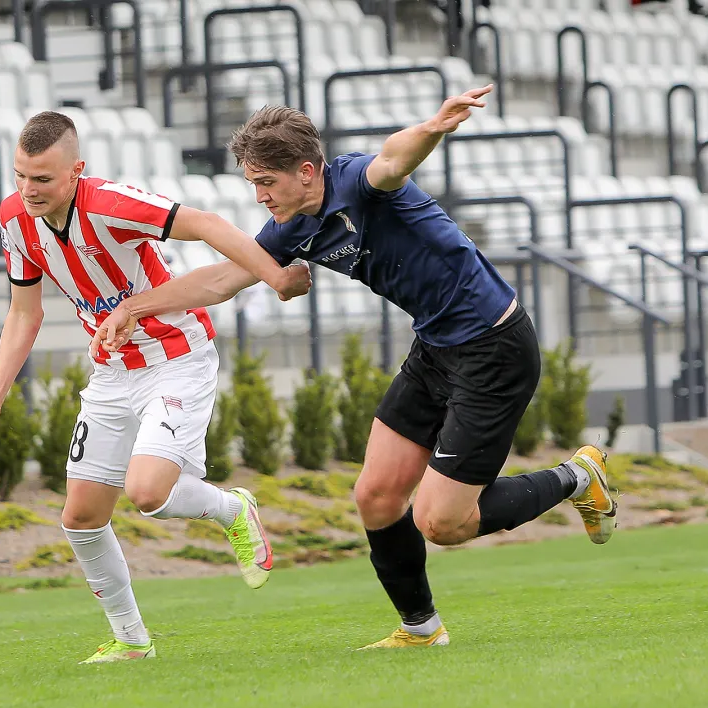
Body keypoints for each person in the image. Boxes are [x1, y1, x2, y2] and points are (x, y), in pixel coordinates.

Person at [92, 88, 619, 649]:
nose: (259, 196)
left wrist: (433, 126)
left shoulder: (356, 182)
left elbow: (393, 160)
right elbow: (224, 278)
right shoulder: (291, 226)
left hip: (494, 347)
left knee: (442, 523)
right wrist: (133, 307)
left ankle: (578, 476)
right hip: (435, 348)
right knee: (375, 497)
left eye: (265, 182)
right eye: (251, 183)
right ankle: (421, 629)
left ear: (305, 170)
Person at [0, 110, 312, 664]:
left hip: (177, 358)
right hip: (112, 371)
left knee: (148, 493)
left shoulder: (108, 204)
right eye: (20, 176)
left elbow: (206, 224)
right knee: (80, 515)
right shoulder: (15, 219)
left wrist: (275, 275)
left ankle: (232, 510)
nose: (29, 190)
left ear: (76, 171)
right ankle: (131, 641)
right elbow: (24, 313)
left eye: (43, 179)